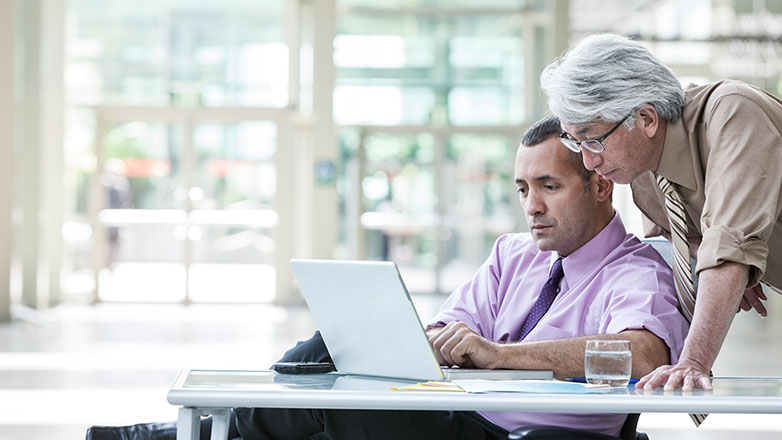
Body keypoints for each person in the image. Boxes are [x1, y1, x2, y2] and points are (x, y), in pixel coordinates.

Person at [86, 116, 687, 440]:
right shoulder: (514, 253)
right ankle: (205, 433)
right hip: (455, 410)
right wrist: (422, 341)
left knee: (336, 414)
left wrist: (502, 355)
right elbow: (454, 324)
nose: (531, 206)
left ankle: (182, 435)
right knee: (327, 350)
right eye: (523, 189)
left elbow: (640, 354)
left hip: (512, 434)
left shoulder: (636, 270)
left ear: (601, 185)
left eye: (549, 187)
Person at [540, 32, 782, 393]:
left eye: (593, 140)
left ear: (647, 119)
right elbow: (689, 244)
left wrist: (693, 361)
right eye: (576, 142)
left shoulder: (734, 112)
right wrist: (725, 271)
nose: (589, 161)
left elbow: (728, 243)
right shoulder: (643, 173)